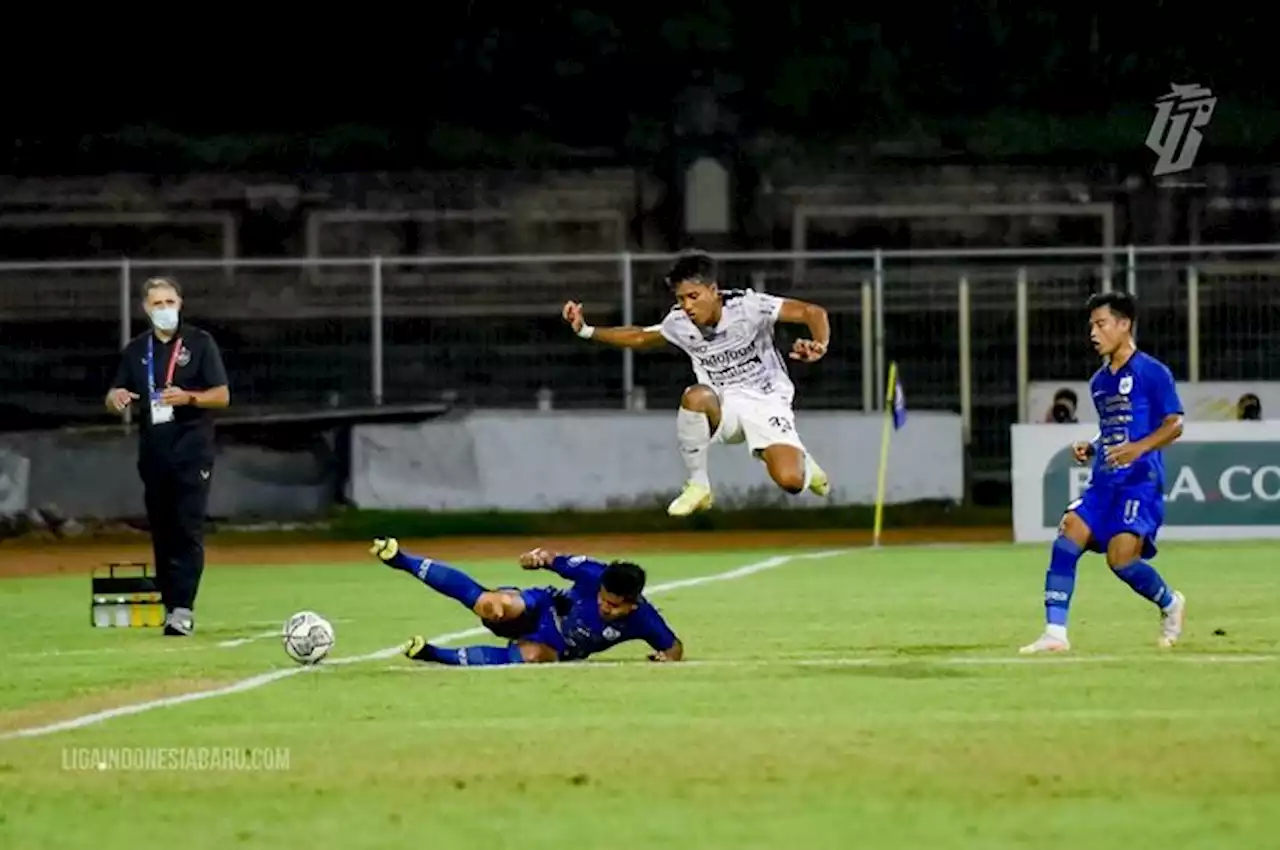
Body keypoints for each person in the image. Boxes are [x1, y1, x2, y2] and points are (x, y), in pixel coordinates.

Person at [561, 249, 832, 516]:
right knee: (695, 396)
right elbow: (641, 336)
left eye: (693, 296)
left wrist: (820, 344)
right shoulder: (679, 322)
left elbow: (812, 312)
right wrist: (586, 330)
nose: (688, 306)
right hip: (723, 405)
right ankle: (699, 485)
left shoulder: (748, 306)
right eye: (681, 299)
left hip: (767, 401)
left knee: (791, 482)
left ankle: (803, 462)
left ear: (713, 290)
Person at [1020, 291, 1187, 654]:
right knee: (1068, 533)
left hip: (1140, 482)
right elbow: (1114, 425)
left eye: (1101, 324)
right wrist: (1094, 445)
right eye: (1091, 326)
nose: (1093, 333)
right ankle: (1055, 634)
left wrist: (1138, 448)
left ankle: (1171, 604)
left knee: (1121, 560)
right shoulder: (1099, 382)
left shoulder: (1153, 372)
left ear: (1124, 325)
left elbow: (1174, 425)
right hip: (1103, 482)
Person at [104, 276, 230, 636]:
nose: (164, 310)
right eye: (157, 304)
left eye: (169, 302)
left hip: (193, 449)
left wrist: (189, 397)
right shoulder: (135, 350)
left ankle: (182, 608)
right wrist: (116, 399)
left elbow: (222, 395)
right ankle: (168, 600)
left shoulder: (200, 343)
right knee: (162, 530)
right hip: (154, 452)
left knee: (187, 528)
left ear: (180, 303)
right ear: (145, 309)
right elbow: (114, 392)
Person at [369, 536, 684, 665]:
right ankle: (401, 559)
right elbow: (551, 557)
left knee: (532, 656)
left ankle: (433, 654)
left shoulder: (644, 618)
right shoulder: (593, 573)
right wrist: (535, 559)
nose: (605, 607)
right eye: (604, 599)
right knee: (493, 607)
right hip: (543, 607)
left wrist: (667, 658)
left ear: (632, 604)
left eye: (614, 607)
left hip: (558, 647)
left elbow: (673, 647)